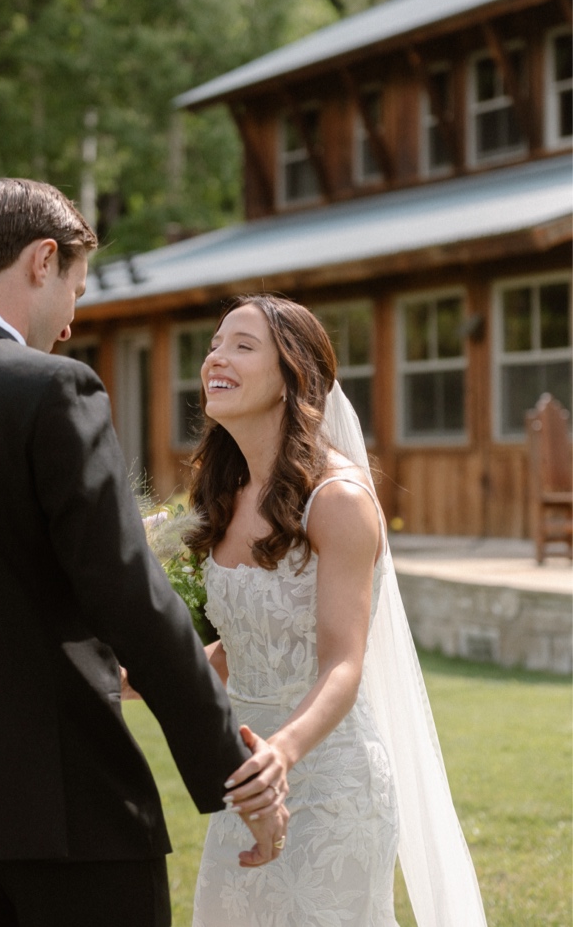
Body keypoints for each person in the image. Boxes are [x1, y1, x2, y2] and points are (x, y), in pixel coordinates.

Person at [0, 178, 288, 927]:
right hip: (71, 816)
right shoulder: (52, 391)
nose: (72, 323)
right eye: (75, 288)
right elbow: (131, 598)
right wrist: (236, 774)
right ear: (43, 260)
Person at [186, 294, 486, 924]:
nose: (217, 355)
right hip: (247, 786)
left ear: (293, 376)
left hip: (330, 788)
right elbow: (249, 644)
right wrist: (136, 677)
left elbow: (343, 665)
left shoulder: (339, 499)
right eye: (215, 342)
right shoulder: (226, 493)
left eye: (243, 345)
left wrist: (280, 756)